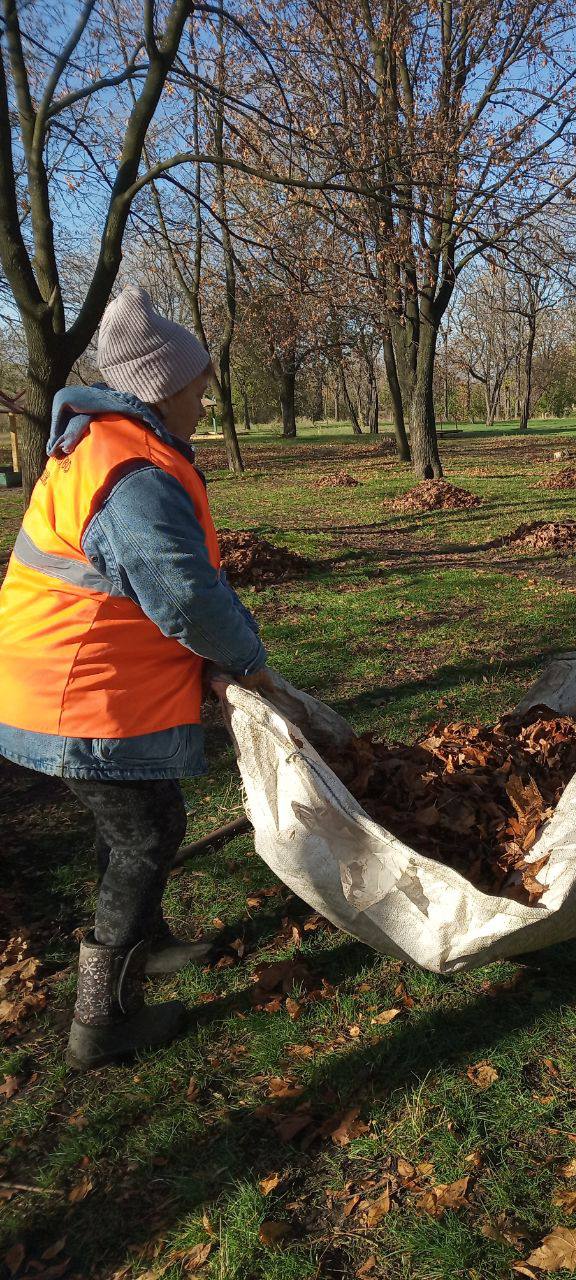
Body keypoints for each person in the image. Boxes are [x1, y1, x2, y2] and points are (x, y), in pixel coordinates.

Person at [0, 286, 277, 1067]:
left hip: (61, 678)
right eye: (198, 389)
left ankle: (146, 945)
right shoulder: (132, 471)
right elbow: (183, 592)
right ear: (162, 388)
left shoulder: (108, 446)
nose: (203, 402)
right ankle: (102, 1023)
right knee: (147, 834)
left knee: (134, 824)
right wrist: (246, 663)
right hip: (75, 692)